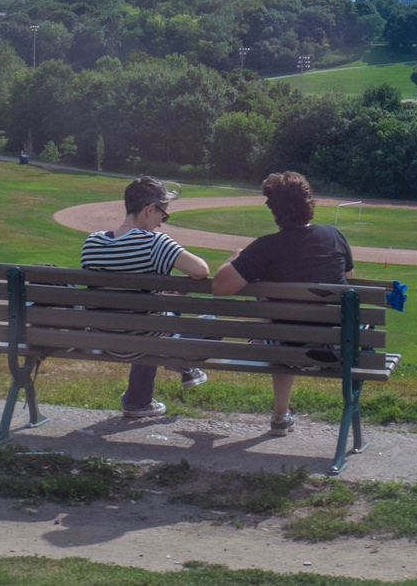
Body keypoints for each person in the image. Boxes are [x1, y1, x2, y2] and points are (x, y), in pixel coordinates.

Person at [213, 170, 355, 437]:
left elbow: (219, 286)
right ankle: (288, 415)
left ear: (274, 209)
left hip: (286, 350)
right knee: (288, 322)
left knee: (278, 321)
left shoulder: (265, 247)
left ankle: (280, 415)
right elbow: (349, 280)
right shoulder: (334, 235)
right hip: (337, 350)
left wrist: (234, 256)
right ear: (308, 202)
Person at [80, 175, 211, 418]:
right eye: (163, 215)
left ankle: (138, 402)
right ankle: (180, 361)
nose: (161, 224)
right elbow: (201, 270)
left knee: (153, 317)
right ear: (150, 209)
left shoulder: (92, 242)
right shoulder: (154, 243)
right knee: (208, 321)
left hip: (103, 336)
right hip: (144, 338)